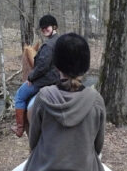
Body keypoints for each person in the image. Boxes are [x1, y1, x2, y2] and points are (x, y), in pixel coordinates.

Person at [15, 33, 107, 171]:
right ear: (85, 67)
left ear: (57, 66)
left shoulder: (42, 97)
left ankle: (19, 127)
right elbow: (98, 146)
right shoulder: (96, 100)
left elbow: (33, 143)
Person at [11, 14, 60, 137]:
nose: (44, 30)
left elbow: (42, 66)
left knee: (20, 95)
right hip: (58, 79)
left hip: (45, 81)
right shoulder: (61, 42)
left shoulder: (48, 45)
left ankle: (19, 128)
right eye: (42, 28)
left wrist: (31, 77)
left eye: (46, 27)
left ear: (54, 26)